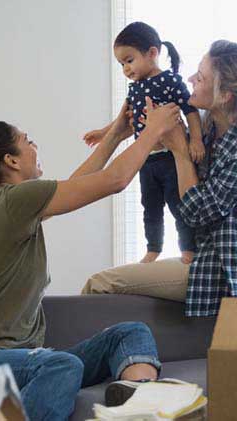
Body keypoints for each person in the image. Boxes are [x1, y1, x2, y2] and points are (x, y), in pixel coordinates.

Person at [0, 96, 182, 420]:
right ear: (12, 160)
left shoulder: (12, 206)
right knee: (63, 365)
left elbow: (77, 185)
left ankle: (140, 404)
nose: (34, 145)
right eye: (27, 140)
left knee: (130, 333)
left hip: (17, 361)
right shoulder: (13, 201)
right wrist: (152, 131)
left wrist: (117, 134)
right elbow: (113, 181)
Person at [83, 40, 237, 317]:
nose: (191, 79)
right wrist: (130, 132)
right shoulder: (208, 123)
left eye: (201, 77)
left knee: (98, 284)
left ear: (226, 95)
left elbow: (194, 212)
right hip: (206, 251)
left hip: (229, 270)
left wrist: (180, 151)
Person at [84, 21, 204, 265]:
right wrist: (103, 133)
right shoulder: (135, 88)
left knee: (179, 205)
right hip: (146, 159)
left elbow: (190, 110)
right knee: (150, 207)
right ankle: (153, 248)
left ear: (152, 53)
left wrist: (197, 140)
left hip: (170, 156)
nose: (126, 69)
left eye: (129, 60)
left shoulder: (170, 80)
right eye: (121, 64)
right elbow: (124, 122)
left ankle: (188, 249)